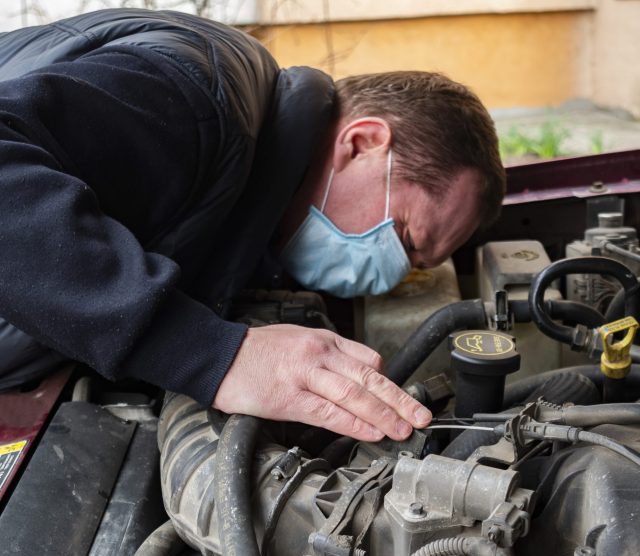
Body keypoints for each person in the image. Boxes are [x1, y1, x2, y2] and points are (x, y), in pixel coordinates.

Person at [0, 9, 505, 442]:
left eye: (417, 269)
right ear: (363, 143)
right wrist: (214, 353)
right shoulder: (199, 98)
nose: (393, 276)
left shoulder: (249, 199)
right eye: (406, 240)